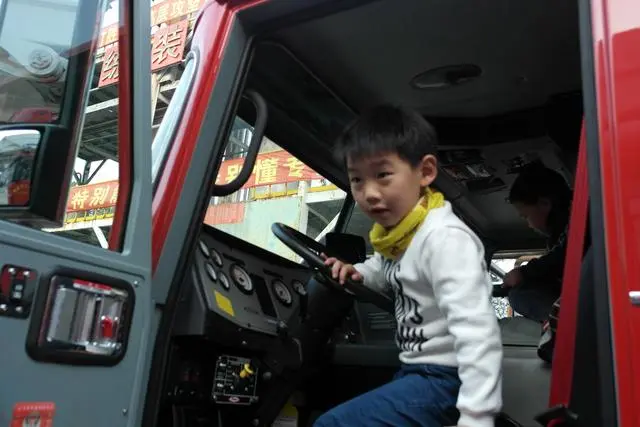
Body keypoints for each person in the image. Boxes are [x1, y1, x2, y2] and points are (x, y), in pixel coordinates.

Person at [315, 105, 502, 427]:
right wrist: (359, 274)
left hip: (447, 378)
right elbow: (383, 266)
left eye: (383, 175)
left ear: (426, 172)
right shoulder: (400, 236)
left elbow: (478, 335)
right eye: (357, 179)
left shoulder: (445, 239)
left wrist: (476, 417)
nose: (369, 193)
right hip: (417, 370)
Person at [502, 163, 572, 323]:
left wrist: (523, 273)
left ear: (544, 204)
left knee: (520, 295)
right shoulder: (560, 235)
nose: (529, 225)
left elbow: (564, 256)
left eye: (525, 216)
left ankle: (569, 326)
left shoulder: (578, 221)